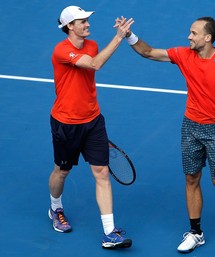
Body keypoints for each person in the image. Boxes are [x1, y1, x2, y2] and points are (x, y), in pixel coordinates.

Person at [123, 17, 215, 253]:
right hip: (190, 126)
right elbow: (150, 52)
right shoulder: (184, 55)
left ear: (208, 38)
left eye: (193, 33)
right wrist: (129, 35)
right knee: (191, 178)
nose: (189, 37)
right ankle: (196, 232)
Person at [48, 6, 134, 249]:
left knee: (102, 173)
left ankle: (110, 233)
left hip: (93, 121)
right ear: (70, 27)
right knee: (62, 172)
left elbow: (95, 59)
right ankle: (55, 208)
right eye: (82, 21)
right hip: (66, 123)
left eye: (87, 20)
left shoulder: (92, 44)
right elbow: (95, 65)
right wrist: (119, 37)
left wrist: (121, 37)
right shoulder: (62, 51)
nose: (87, 24)